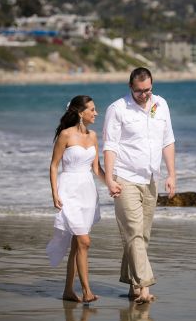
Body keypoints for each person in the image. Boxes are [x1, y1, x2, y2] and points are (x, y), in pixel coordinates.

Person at [103, 67, 176, 304]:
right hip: (125, 178)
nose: (144, 95)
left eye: (148, 90)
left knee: (142, 235)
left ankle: (133, 283)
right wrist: (109, 179)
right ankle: (144, 287)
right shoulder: (117, 109)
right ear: (130, 87)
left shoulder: (161, 104)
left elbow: (168, 141)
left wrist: (172, 174)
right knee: (133, 232)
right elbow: (110, 145)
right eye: (139, 91)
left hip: (151, 178)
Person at [46, 95, 104, 303]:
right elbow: (54, 165)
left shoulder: (94, 136)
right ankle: (87, 291)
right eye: (92, 109)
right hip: (69, 190)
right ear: (81, 113)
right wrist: (55, 193)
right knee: (84, 241)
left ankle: (68, 291)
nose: (96, 113)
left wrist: (112, 184)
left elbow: (96, 168)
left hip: (88, 192)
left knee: (78, 244)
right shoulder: (65, 135)